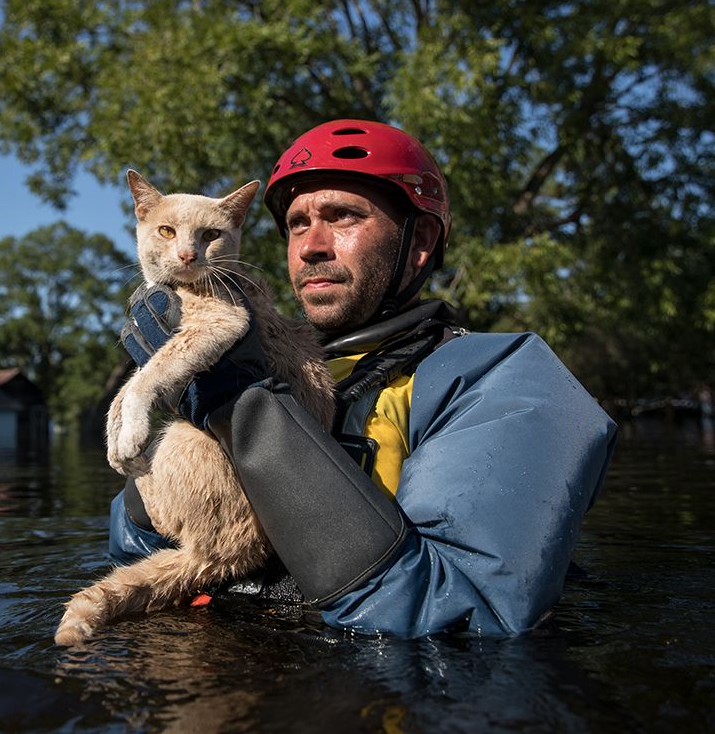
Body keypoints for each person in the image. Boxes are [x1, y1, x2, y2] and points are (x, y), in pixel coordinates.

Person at [110, 119, 617, 638]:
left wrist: (243, 409)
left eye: (343, 216)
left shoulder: (506, 379)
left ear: (419, 241)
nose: (311, 246)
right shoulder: (266, 358)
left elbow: (466, 617)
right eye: (297, 225)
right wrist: (172, 425)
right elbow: (135, 551)